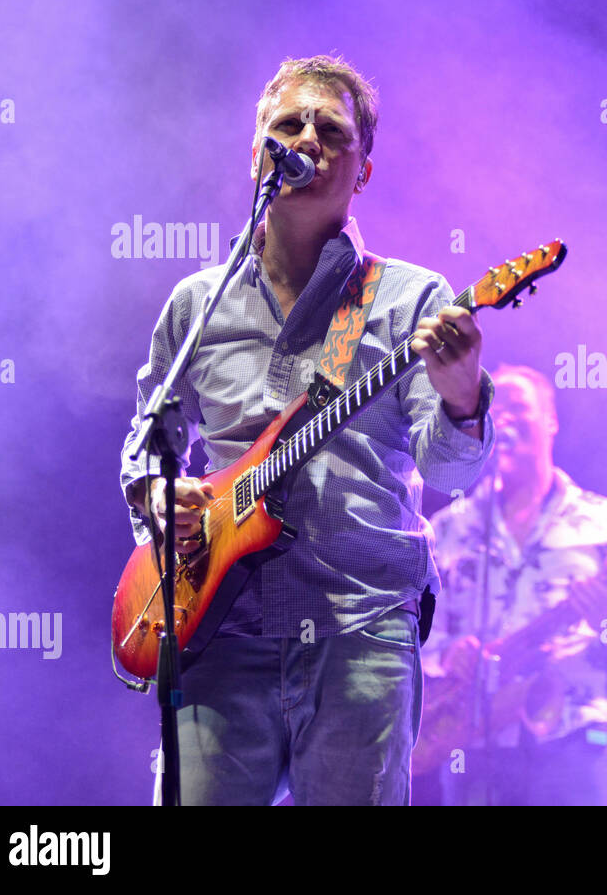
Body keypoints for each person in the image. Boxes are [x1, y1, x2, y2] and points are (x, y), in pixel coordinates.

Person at [119, 54, 495, 805]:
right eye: (288, 126)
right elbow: (142, 446)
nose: (307, 141)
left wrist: (462, 397)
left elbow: (451, 475)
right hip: (219, 631)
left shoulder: (407, 297)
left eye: (332, 131)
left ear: (363, 171)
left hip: (360, 630)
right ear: (256, 152)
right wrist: (160, 502)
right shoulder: (198, 302)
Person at [421, 365, 607, 805]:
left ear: (551, 420)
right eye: (493, 413)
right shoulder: (449, 528)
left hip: (573, 746)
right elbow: (413, 640)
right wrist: (446, 656)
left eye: (517, 408)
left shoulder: (601, 518)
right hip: (476, 748)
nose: (504, 420)